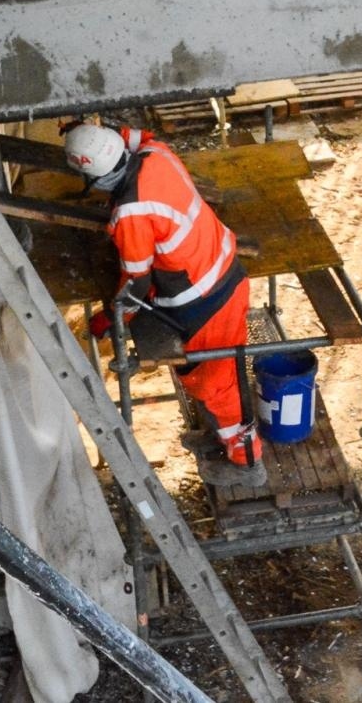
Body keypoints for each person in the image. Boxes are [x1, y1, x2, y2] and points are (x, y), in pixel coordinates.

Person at [64, 122, 265, 487]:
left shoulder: (131, 212)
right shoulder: (157, 155)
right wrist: (100, 131)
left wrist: (114, 316)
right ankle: (223, 436)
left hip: (205, 300)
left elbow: (136, 279)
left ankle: (247, 463)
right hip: (223, 272)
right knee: (214, 376)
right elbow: (139, 136)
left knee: (215, 385)